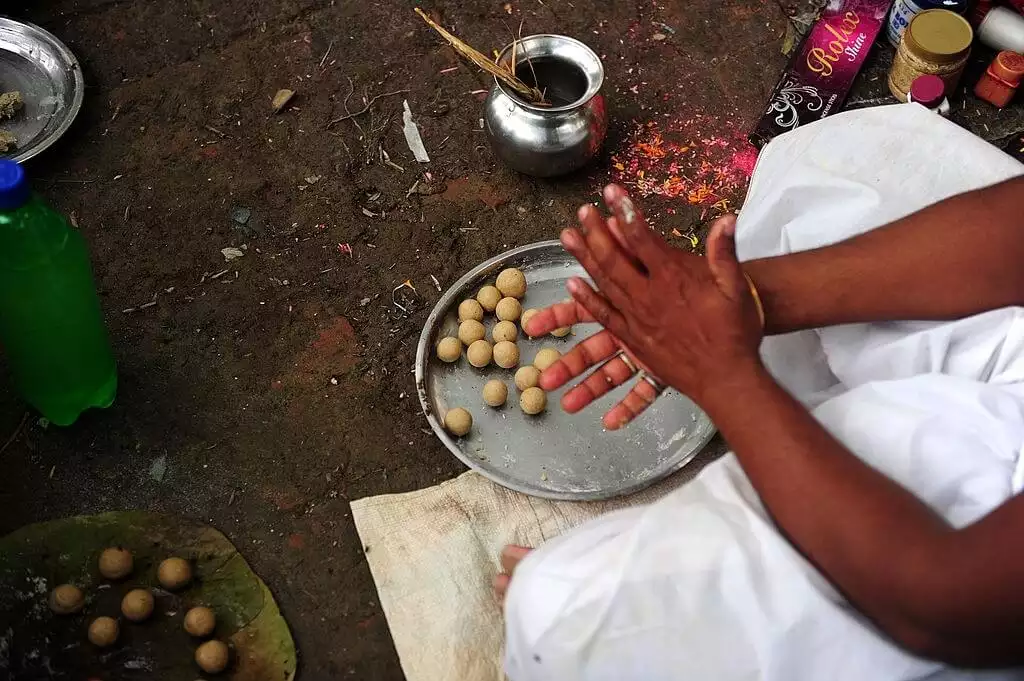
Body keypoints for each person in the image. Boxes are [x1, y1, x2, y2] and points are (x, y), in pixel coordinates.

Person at [494, 106, 1024, 681]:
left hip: (951, 606)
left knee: (557, 615)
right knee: (863, 164)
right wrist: (743, 300)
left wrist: (725, 375)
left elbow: (941, 606)